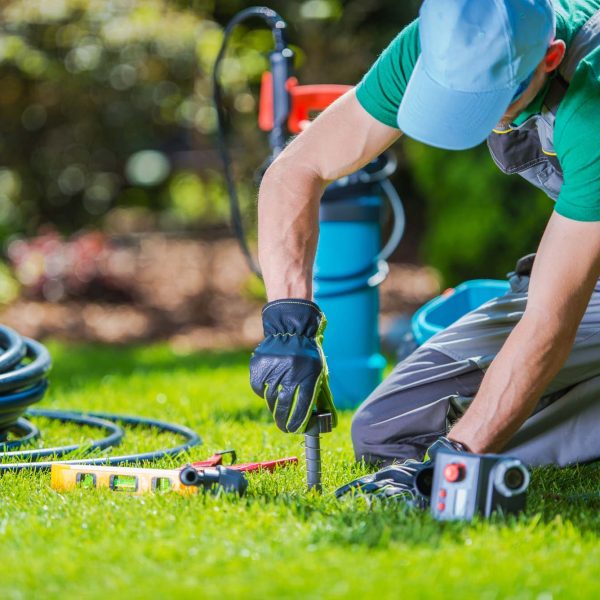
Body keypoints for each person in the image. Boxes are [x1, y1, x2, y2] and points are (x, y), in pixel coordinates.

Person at [249, 0, 600, 499]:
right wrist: (288, 321)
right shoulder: (447, 38)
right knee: (387, 433)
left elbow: (549, 323)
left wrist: (453, 466)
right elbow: (296, 170)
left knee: (451, 447)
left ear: (551, 58)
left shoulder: (593, 102)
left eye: (491, 100)